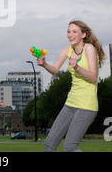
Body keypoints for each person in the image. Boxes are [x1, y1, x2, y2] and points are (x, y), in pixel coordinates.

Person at [37, 20, 105, 152]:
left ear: (83, 35)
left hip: (86, 105)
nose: (70, 34)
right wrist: (45, 64)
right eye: (68, 31)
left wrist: (77, 67)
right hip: (70, 103)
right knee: (49, 145)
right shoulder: (66, 50)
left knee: (69, 148)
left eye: (74, 31)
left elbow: (93, 77)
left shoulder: (89, 49)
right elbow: (55, 69)